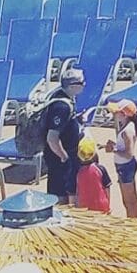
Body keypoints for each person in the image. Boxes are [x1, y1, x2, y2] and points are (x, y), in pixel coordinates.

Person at [40, 65, 85, 204]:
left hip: (64, 154)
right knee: (60, 193)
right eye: (81, 82)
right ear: (72, 86)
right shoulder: (62, 106)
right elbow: (52, 137)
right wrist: (64, 157)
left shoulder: (64, 97)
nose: (84, 85)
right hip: (60, 158)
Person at [106, 99, 137, 219]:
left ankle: (134, 222)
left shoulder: (127, 131)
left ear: (124, 114)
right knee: (129, 198)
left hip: (125, 167)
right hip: (124, 166)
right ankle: (134, 220)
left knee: (129, 200)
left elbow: (129, 154)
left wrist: (114, 150)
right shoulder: (126, 127)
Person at [74, 135, 113, 214]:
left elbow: (77, 192)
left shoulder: (78, 171)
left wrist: (77, 207)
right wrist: (108, 204)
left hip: (84, 208)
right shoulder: (100, 169)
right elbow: (107, 188)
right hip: (101, 206)